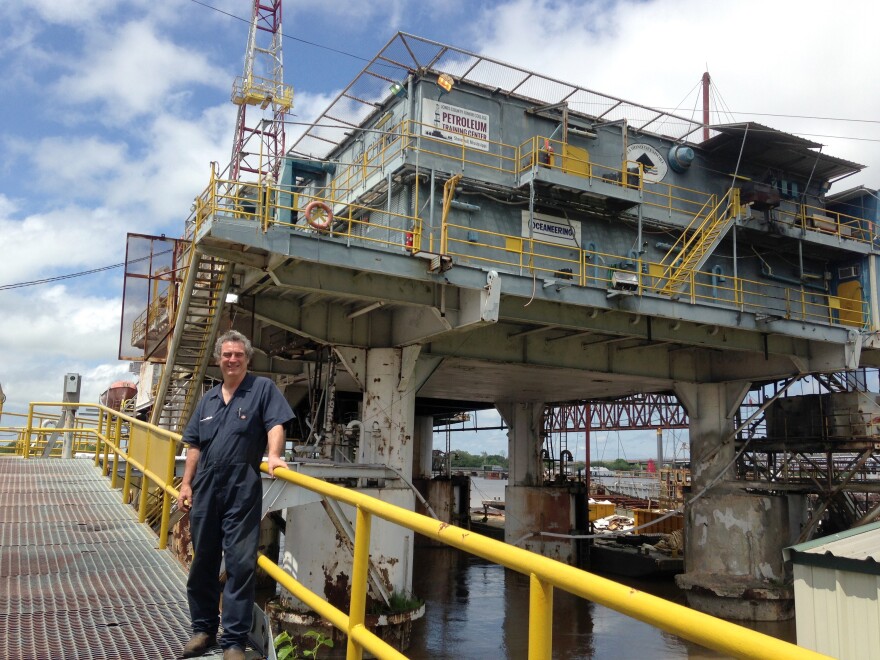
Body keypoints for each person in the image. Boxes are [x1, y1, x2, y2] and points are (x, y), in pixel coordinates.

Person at [178, 329, 294, 660]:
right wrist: (186, 483)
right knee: (203, 562)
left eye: (238, 355)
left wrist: (273, 456)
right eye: (227, 355)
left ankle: (233, 642)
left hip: (243, 486)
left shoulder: (261, 389)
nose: (232, 360)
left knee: (241, 565)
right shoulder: (208, 399)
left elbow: (275, 424)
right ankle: (203, 629)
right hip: (206, 488)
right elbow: (195, 445)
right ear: (219, 360)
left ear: (247, 358)